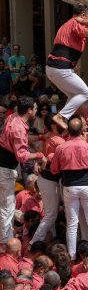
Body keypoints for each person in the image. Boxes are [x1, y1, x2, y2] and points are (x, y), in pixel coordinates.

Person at [51, 116, 88, 260]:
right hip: (86, 185)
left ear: (68, 130)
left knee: (72, 223)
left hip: (69, 186)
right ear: (81, 130)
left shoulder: (61, 148)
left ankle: (71, 257)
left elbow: (54, 170)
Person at [0, 96, 46, 245]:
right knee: (7, 208)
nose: (37, 110)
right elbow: (21, 156)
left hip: (3, 167)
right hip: (6, 169)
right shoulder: (19, 127)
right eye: (35, 108)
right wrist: (39, 155)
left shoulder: (12, 117)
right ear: (29, 110)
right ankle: (6, 243)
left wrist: (39, 137)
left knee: (5, 207)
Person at [46, 3, 88, 129]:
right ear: (82, 15)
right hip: (60, 69)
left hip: (53, 69)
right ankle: (61, 116)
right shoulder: (76, 23)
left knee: (74, 95)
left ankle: (64, 118)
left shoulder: (66, 24)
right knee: (86, 93)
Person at [30, 114, 65, 245]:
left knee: (52, 213)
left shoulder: (50, 136)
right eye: (61, 120)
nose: (64, 122)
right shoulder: (56, 140)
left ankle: (51, 242)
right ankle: (33, 244)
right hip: (48, 180)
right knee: (51, 215)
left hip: (47, 179)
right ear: (54, 125)